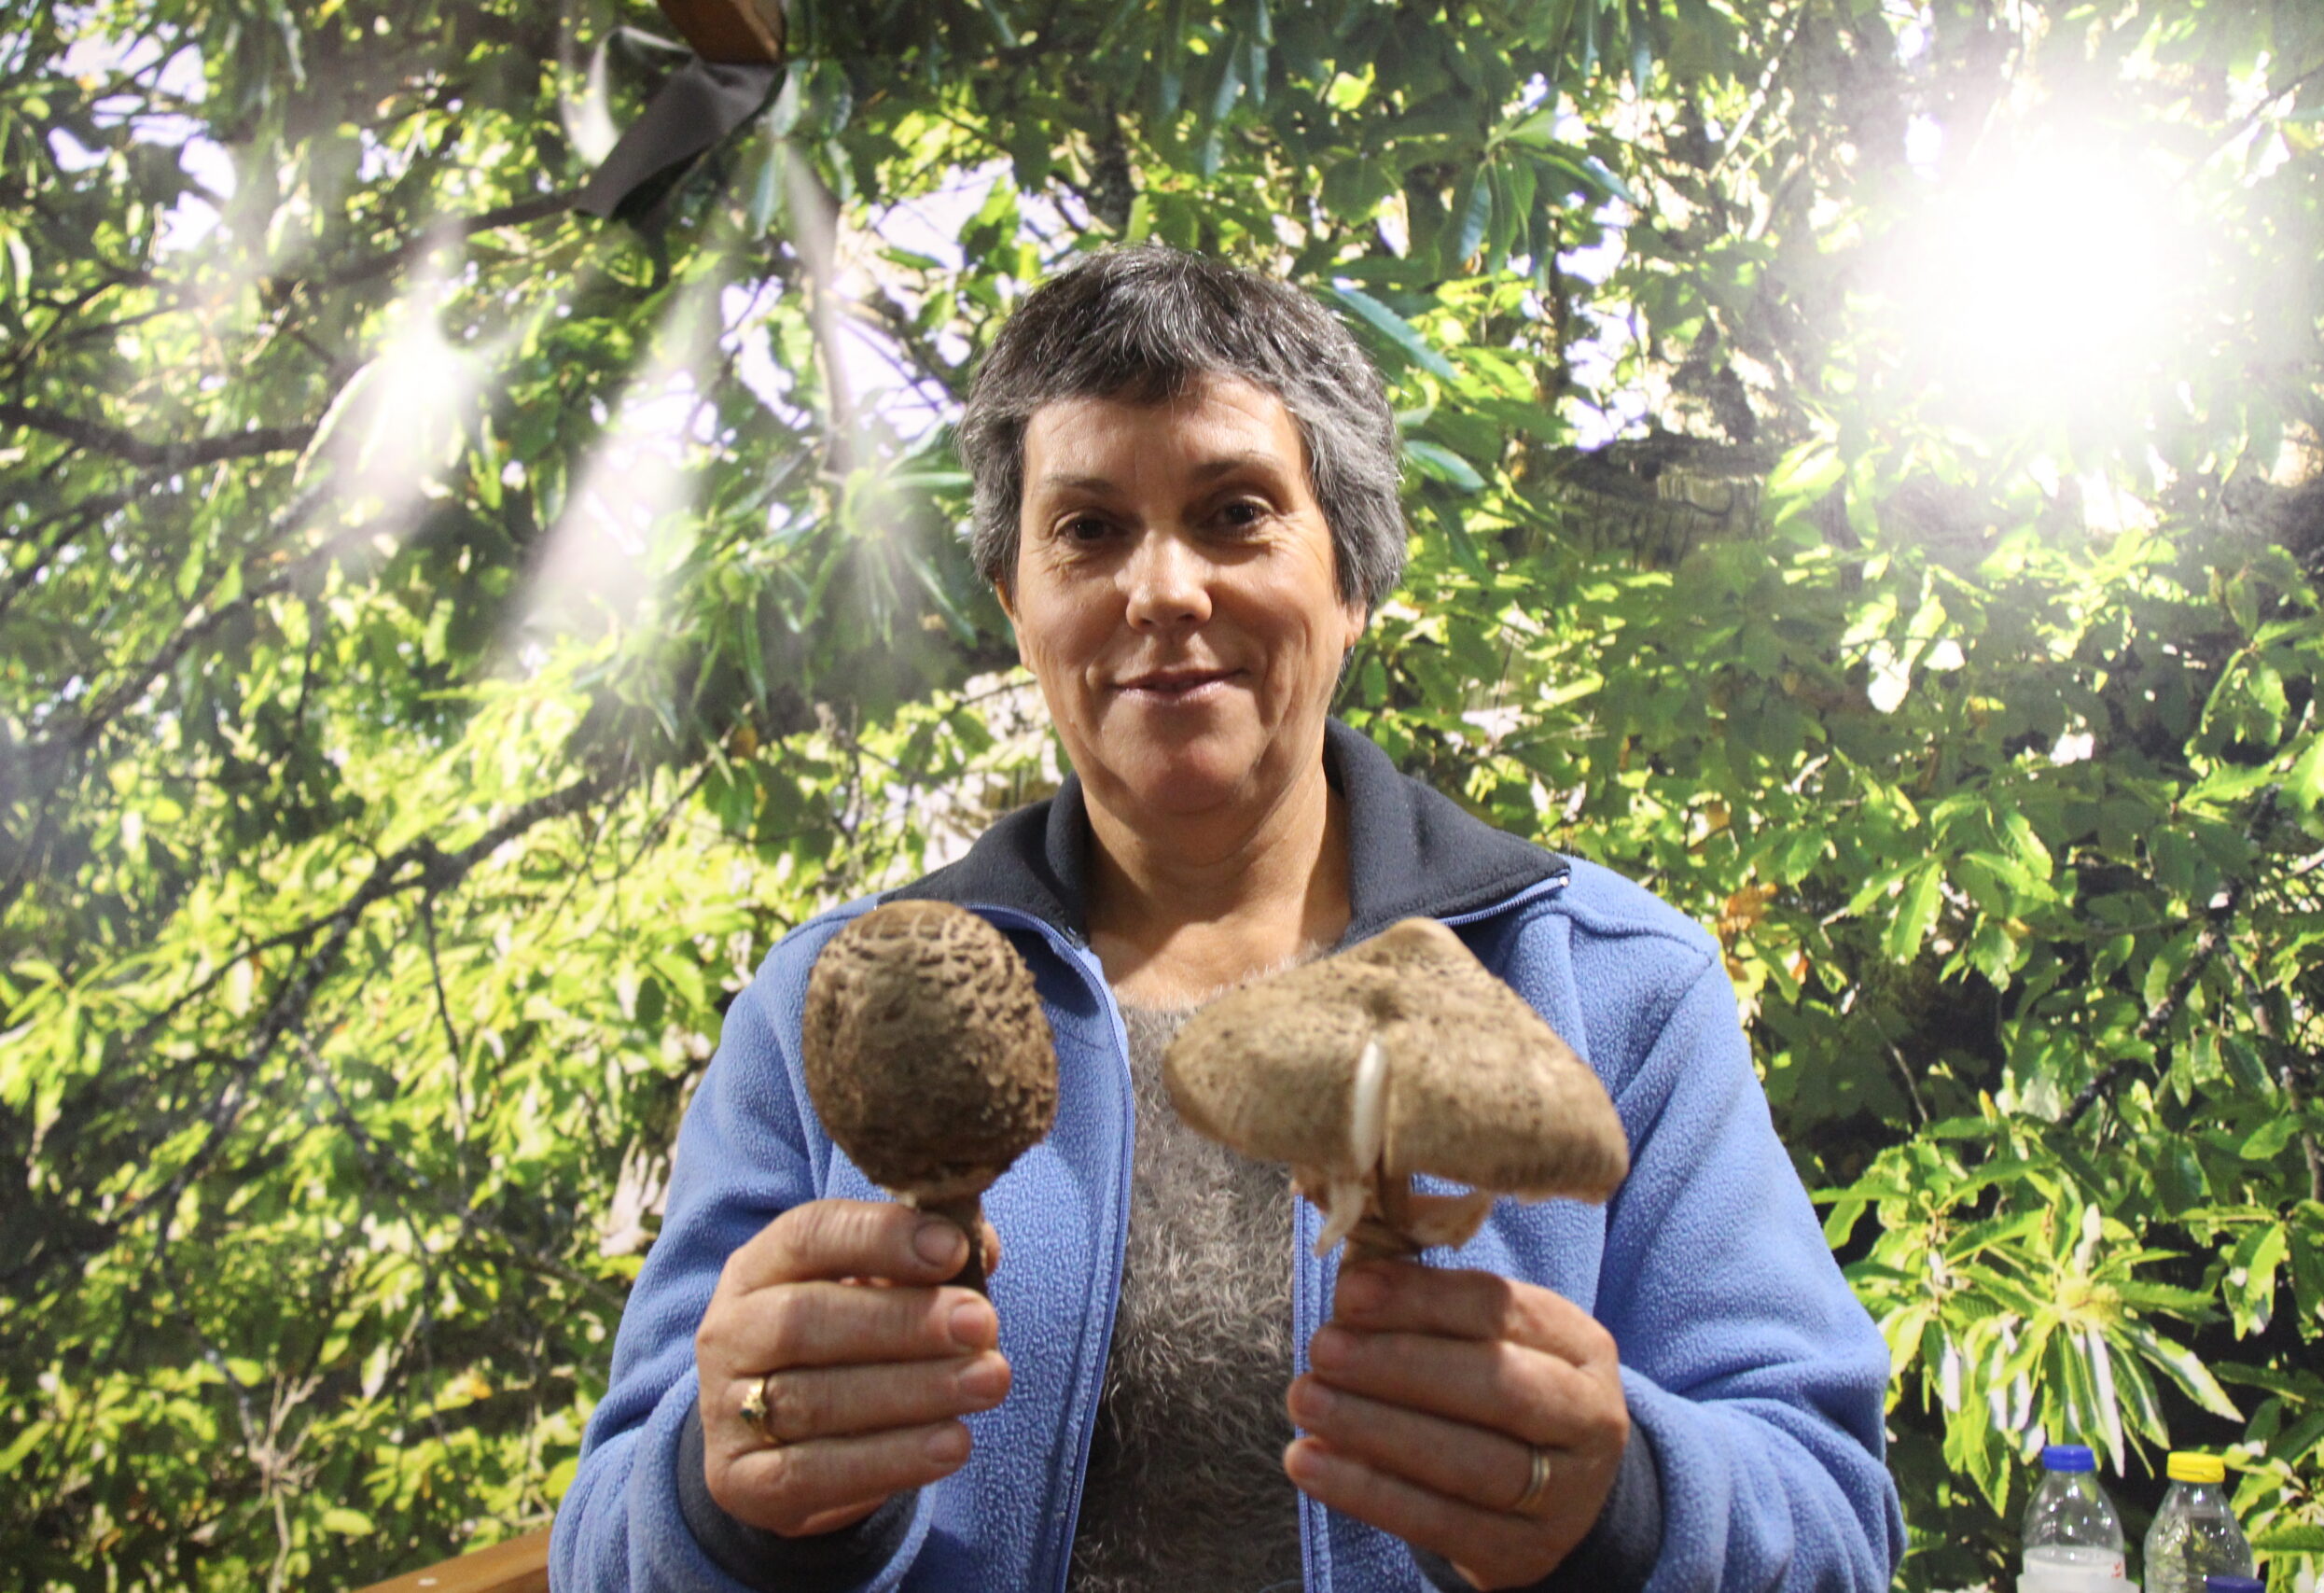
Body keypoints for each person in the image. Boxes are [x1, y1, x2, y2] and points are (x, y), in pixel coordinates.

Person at [551, 244, 1904, 1593]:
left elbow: (1836, 1518)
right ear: (1018, 609)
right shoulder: (822, 1010)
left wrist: (1625, 1507)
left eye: (1235, 511)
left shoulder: (1611, 988)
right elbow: (605, 1545)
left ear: (1352, 583)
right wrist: (722, 1497)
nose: (1165, 591)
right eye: (1086, 529)